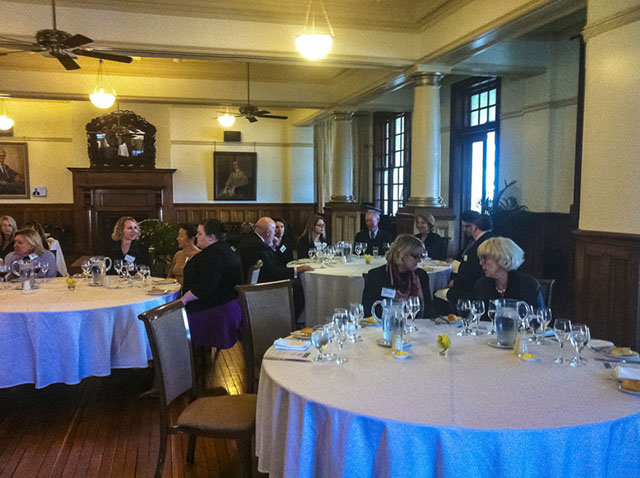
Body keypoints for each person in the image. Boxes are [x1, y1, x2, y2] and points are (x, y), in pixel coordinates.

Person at [180, 219, 244, 389]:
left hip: (215, 311)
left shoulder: (212, 257)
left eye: (200, 234)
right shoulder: (228, 250)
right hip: (230, 305)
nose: (197, 237)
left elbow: (205, 287)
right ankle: (199, 359)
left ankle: (180, 373)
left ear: (211, 237)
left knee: (171, 320)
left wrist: (183, 300)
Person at [237, 216, 313, 319]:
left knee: (297, 284)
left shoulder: (254, 241)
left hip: (263, 280)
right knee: (299, 289)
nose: (275, 234)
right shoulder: (256, 247)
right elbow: (272, 272)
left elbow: (273, 264)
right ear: (268, 232)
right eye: (274, 231)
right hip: (262, 288)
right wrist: (297, 269)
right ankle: (288, 321)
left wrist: (272, 246)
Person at [362, 234, 436, 318]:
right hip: (384, 324)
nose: (419, 260)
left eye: (421, 256)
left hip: (417, 324)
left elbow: (429, 311)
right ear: (401, 254)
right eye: (415, 256)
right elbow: (368, 311)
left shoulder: (421, 276)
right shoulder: (376, 275)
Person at [434, 211, 494, 313]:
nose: (465, 229)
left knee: (437, 293)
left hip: (472, 290)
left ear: (475, 227)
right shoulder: (489, 239)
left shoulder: (480, 245)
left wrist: (455, 283)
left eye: (468, 226)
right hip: (480, 287)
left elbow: (474, 273)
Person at [474, 237, 545, 308]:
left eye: (484, 258)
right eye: (480, 259)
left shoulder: (528, 285)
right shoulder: (482, 285)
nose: (481, 263)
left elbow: (538, 314)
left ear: (502, 258)